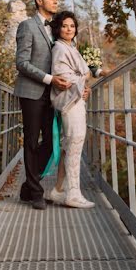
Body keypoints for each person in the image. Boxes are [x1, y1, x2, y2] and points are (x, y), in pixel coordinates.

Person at [15, 0, 72, 210]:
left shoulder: (56, 29)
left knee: (51, 141)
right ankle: (35, 192)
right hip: (31, 92)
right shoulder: (27, 26)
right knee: (31, 141)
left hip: (52, 96)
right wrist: (49, 79)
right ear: (39, 1)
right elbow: (22, 63)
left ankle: (28, 186)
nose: (55, 2)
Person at [46, 11, 101, 209]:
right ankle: (73, 194)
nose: (69, 29)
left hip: (76, 100)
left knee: (69, 145)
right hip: (70, 103)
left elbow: (80, 74)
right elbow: (63, 77)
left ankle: (58, 190)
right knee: (75, 144)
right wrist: (83, 81)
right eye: (64, 26)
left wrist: (84, 86)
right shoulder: (59, 49)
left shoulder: (71, 47)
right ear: (58, 28)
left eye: (72, 26)